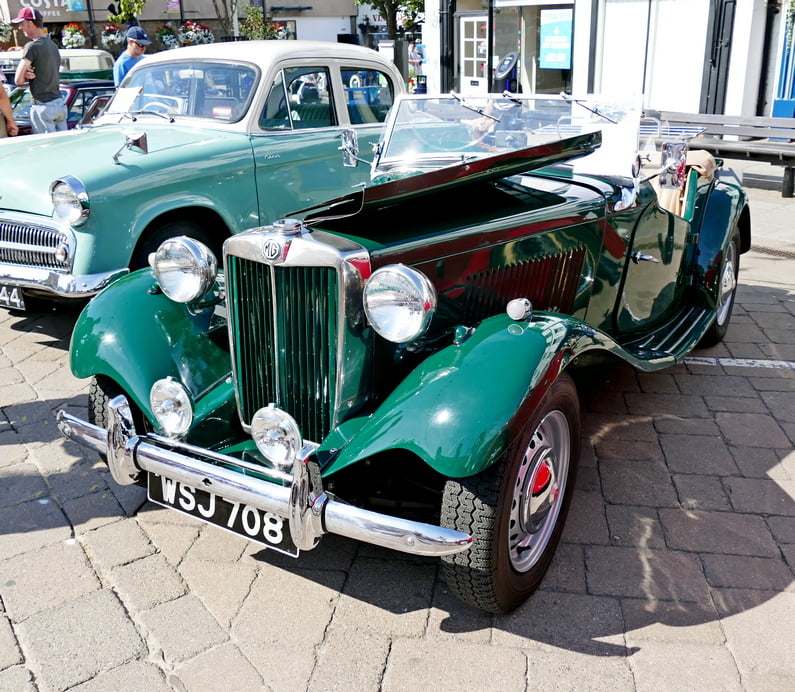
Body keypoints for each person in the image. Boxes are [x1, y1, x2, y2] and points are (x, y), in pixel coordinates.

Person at [12, 7, 67, 135]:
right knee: (63, 144)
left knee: (47, 145)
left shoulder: (32, 46)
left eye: (22, 24)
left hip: (42, 105)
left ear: (30, 23)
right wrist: (27, 75)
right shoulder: (53, 45)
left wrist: (24, 76)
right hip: (59, 103)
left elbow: (18, 80)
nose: (20, 28)